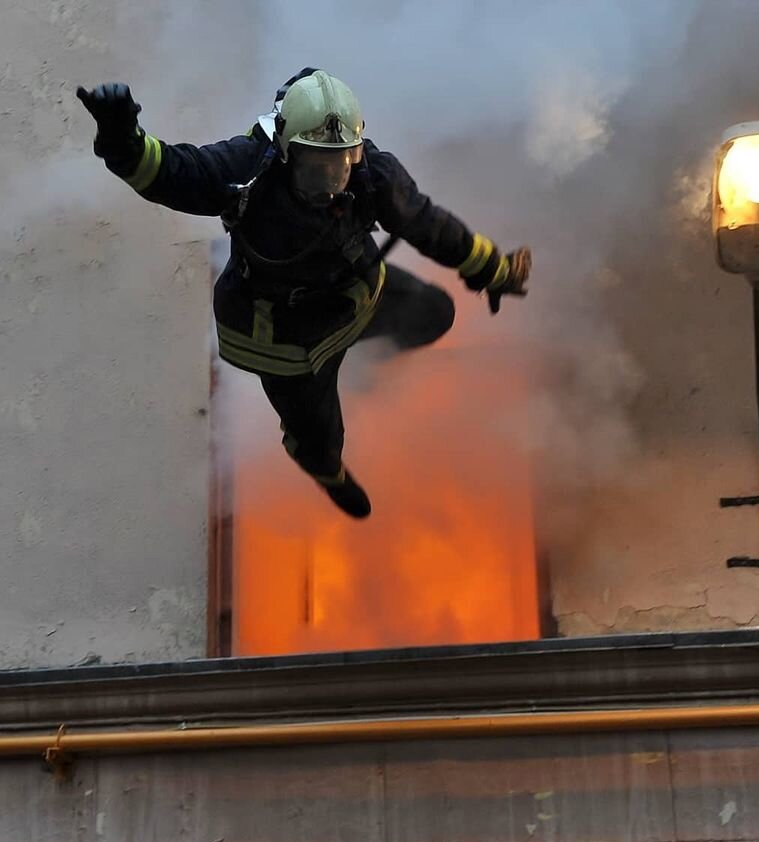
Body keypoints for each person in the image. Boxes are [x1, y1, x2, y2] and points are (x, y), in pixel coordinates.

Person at [77, 68, 531, 518]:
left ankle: (362, 362)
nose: (331, 182)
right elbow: (170, 173)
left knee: (436, 312)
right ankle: (327, 473)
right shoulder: (246, 169)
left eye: (341, 163)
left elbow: (430, 225)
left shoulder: (373, 174)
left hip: (356, 300)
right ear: (285, 150)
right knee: (318, 438)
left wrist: (492, 269)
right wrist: (122, 137)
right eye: (316, 168)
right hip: (288, 343)